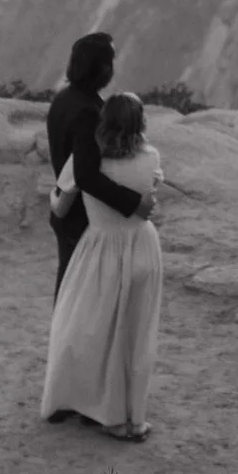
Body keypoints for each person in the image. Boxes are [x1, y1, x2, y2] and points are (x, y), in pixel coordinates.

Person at [39, 92, 165, 441]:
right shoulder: (151, 156)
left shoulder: (85, 161)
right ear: (140, 123)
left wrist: (52, 196)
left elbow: (61, 208)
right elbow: (150, 198)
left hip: (99, 248)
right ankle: (134, 420)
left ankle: (97, 409)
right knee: (136, 334)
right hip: (142, 245)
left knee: (86, 327)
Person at [43, 32, 154, 299]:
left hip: (66, 211)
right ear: (101, 67)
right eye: (111, 61)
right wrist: (133, 203)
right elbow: (86, 175)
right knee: (80, 297)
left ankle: (62, 339)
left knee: (70, 288)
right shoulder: (88, 112)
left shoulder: (64, 98)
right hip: (81, 217)